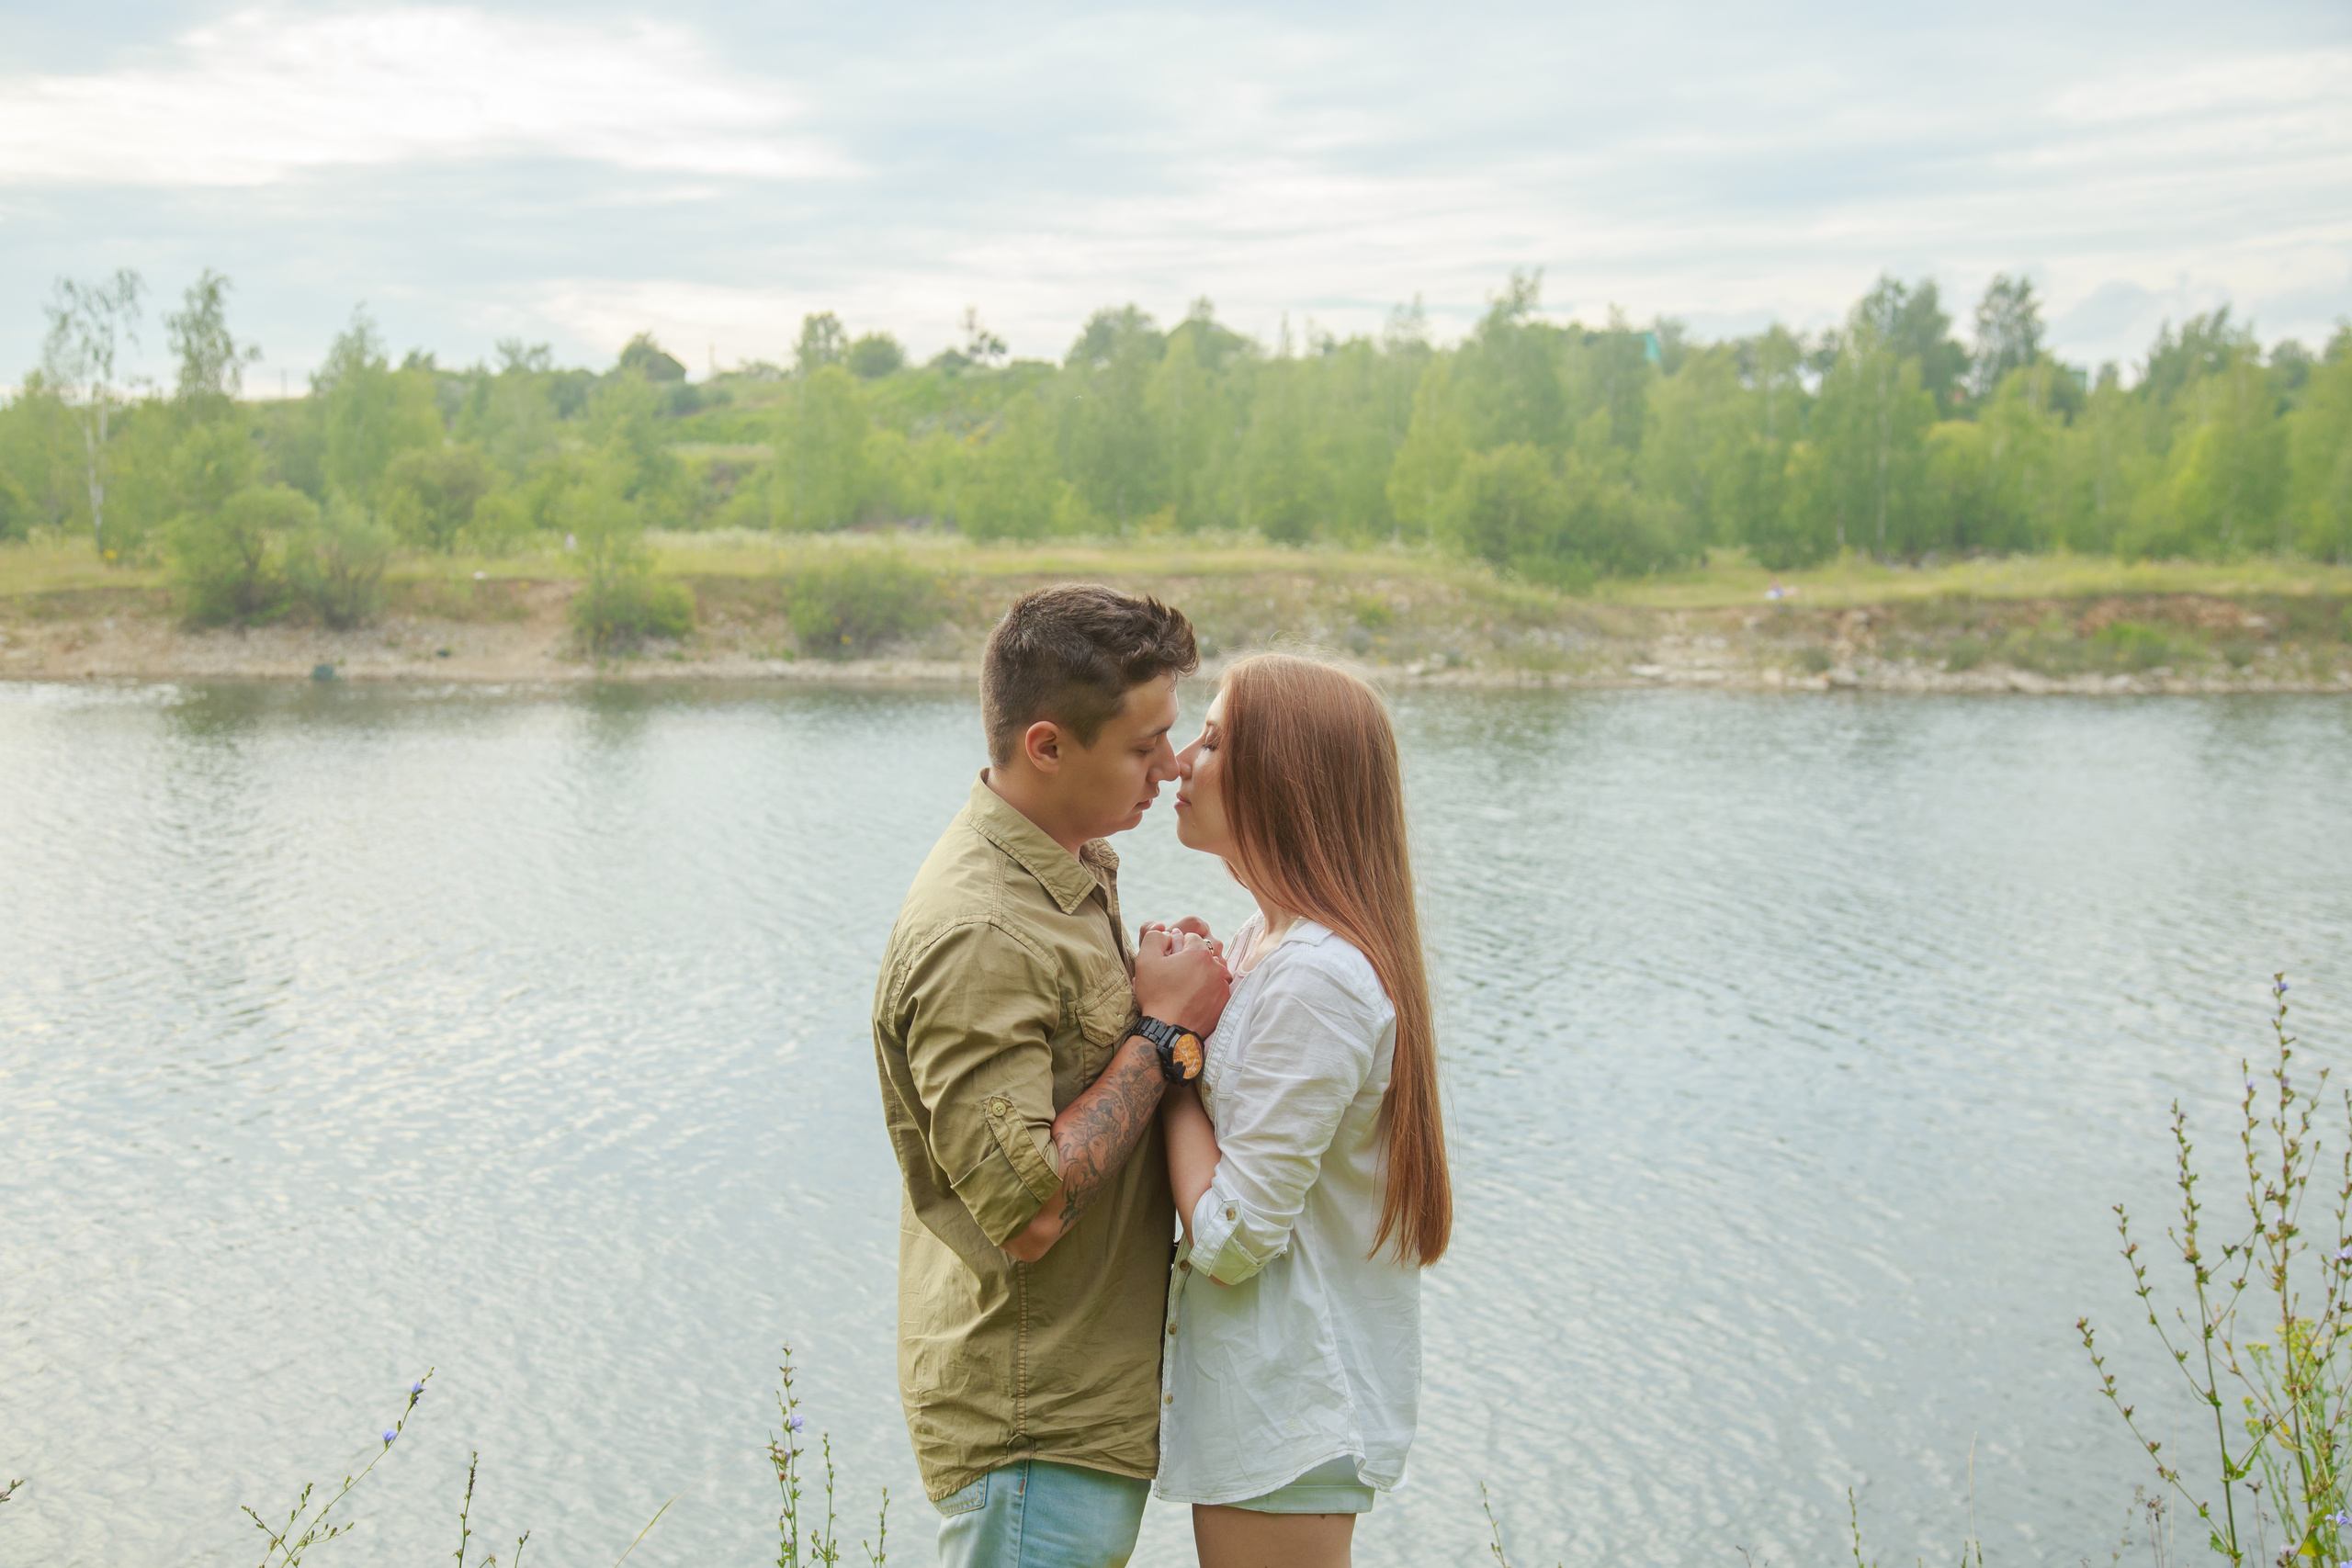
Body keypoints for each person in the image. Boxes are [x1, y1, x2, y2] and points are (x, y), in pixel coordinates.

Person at [872, 583, 1233, 1568]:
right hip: (1031, 1427)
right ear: (1046, 746)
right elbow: (1026, 1211)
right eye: (1141, 744)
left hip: (1074, 1415)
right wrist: (1161, 1034)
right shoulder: (981, 930)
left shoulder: (1064, 873)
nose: (1170, 765)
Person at [1154, 653, 1452, 1568]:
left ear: (1281, 772)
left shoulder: (1316, 979)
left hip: (1291, 1409)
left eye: (1211, 739)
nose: (1178, 762)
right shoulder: (1265, 943)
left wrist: (1164, 1048)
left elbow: (1234, 1236)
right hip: (1269, 1408)